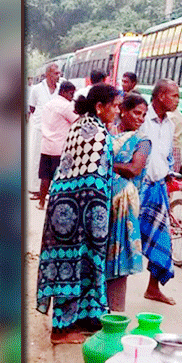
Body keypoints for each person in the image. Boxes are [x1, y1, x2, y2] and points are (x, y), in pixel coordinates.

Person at [36, 84, 120, 344]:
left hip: (70, 207)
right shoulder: (93, 132)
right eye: (115, 106)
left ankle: (83, 319)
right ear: (100, 107)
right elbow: (91, 179)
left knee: (79, 264)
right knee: (69, 265)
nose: (117, 111)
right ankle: (60, 330)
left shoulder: (85, 125)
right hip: (76, 213)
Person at [106, 93, 151, 311]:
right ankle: (95, 310)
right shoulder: (106, 133)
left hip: (124, 206)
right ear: (122, 110)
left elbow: (135, 169)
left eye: (144, 115)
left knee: (119, 256)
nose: (140, 118)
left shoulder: (142, 141)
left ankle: (115, 313)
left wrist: (107, 164)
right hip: (102, 200)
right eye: (136, 113)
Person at [138, 79, 179, 305]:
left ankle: (153, 288)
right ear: (161, 95)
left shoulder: (170, 124)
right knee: (124, 238)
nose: (177, 101)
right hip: (137, 188)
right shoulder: (142, 118)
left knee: (162, 240)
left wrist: (169, 174)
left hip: (157, 188)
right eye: (174, 96)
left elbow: (165, 155)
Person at [37, 81, 77, 209]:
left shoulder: (48, 104)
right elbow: (76, 121)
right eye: (71, 93)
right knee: (59, 178)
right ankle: (55, 205)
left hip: (46, 145)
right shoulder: (66, 106)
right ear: (64, 92)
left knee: (45, 177)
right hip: (60, 148)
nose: (72, 96)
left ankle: (41, 202)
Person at [27, 62, 61, 199]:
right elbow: (32, 107)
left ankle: (49, 189)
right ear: (48, 74)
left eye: (59, 73)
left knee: (53, 160)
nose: (59, 76)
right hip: (40, 128)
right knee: (37, 158)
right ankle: (36, 189)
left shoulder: (60, 88)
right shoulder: (36, 89)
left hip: (55, 130)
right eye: (56, 73)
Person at [167, 108, 182, 173]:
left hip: (168, 148)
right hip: (177, 149)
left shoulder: (168, 116)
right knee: (174, 173)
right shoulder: (180, 116)